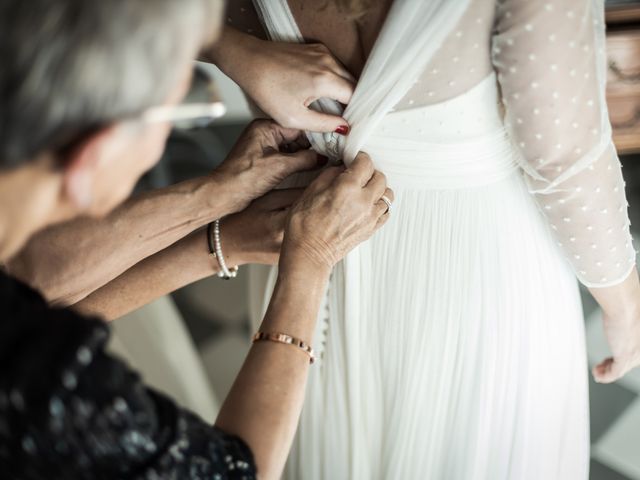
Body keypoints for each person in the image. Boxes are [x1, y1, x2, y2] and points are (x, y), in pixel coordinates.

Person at [226, 0, 640, 478]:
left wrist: (229, 49)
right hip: (477, 266)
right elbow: (563, 156)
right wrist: (624, 301)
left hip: (302, 243)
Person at [0, 1, 394, 479]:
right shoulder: (43, 394)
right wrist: (309, 262)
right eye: (173, 109)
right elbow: (234, 469)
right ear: (94, 157)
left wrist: (218, 208)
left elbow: (29, 286)